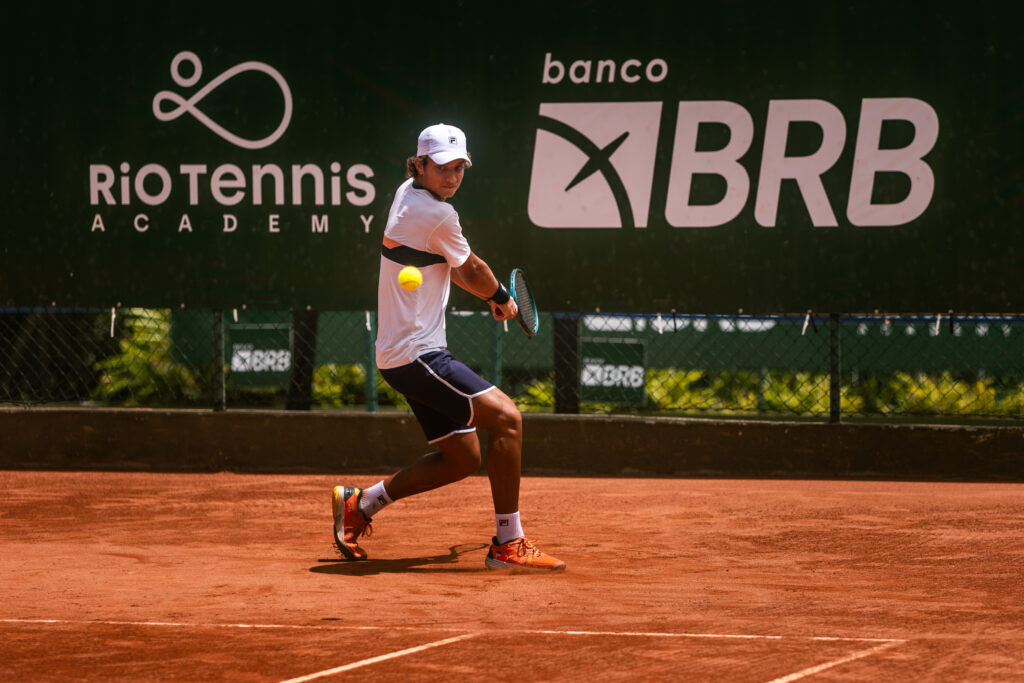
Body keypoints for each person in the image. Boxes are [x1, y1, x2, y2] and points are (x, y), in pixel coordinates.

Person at [331, 123, 565, 571]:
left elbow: (451, 264)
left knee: (462, 459)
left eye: (459, 167)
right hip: (418, 355)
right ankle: (508, 543)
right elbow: (472, 267)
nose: (452, 176)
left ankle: (360, 506)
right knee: (508, 420)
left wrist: (487, 293)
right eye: (442, 167)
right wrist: (500, 297)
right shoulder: (437, 214)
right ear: (419, 164)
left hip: (402, 355)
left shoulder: (410, 194)